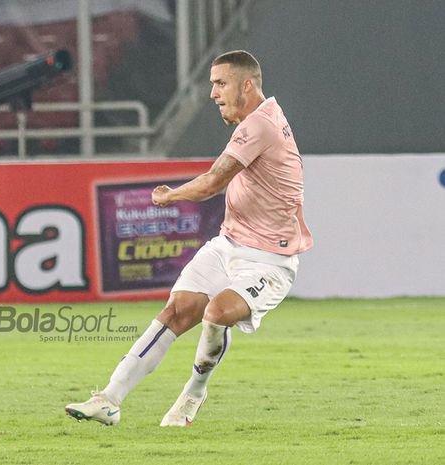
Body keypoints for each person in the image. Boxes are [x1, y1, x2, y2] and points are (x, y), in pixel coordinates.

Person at [65, 50, 313, 427]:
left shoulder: (258, 126)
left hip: (268, 261)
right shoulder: (262, 119)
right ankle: (109, 400)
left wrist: (169, 195)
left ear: (247, 84)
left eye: (220, 83)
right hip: (228, 244)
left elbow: (213, 182)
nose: (213, 93)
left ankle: (193, 394)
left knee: (217, 313)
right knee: (175, 311)